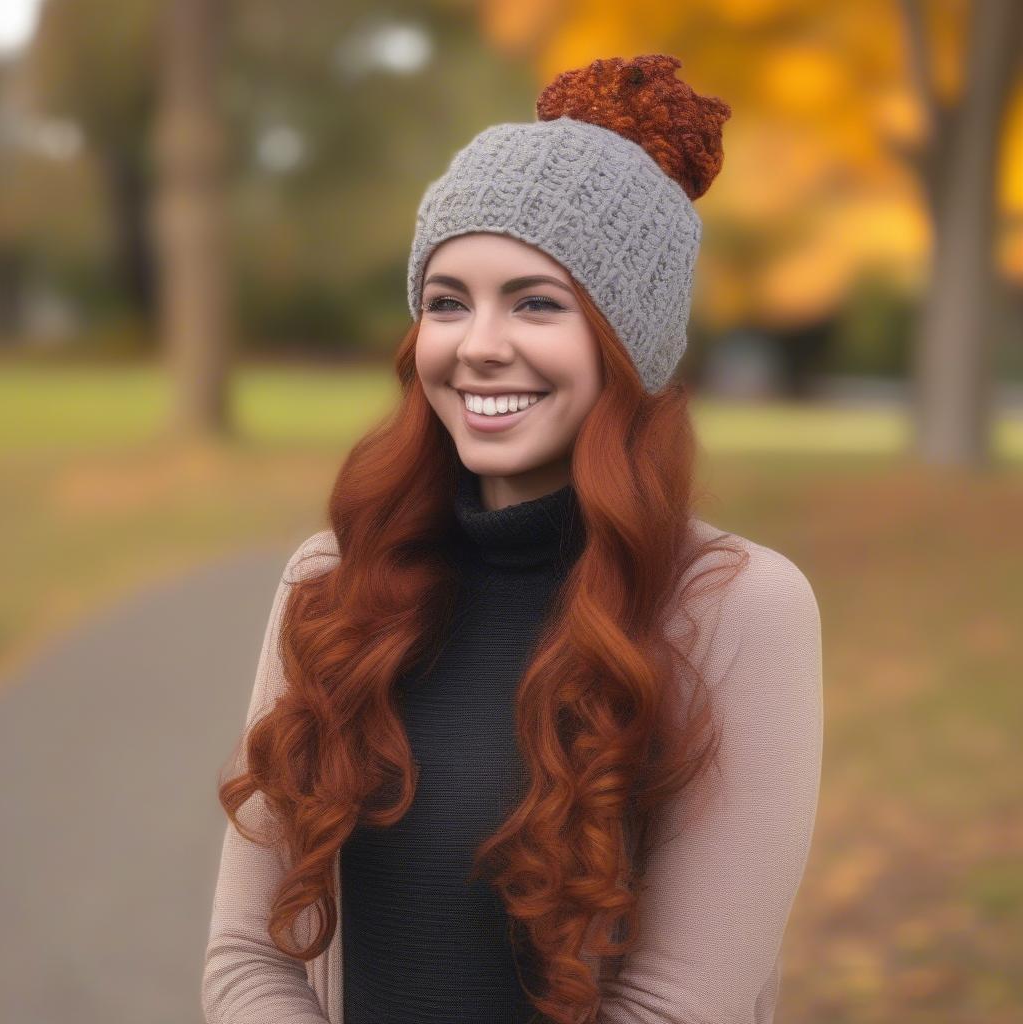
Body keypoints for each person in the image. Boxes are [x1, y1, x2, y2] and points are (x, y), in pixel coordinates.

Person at [201, 53, 823, 1024]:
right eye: (448, 301)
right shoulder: (332, 583)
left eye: (535, 301)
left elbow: (680, 1001)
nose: (479, 341)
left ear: (628, 344)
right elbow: (245, 955)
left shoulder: (736, 607)